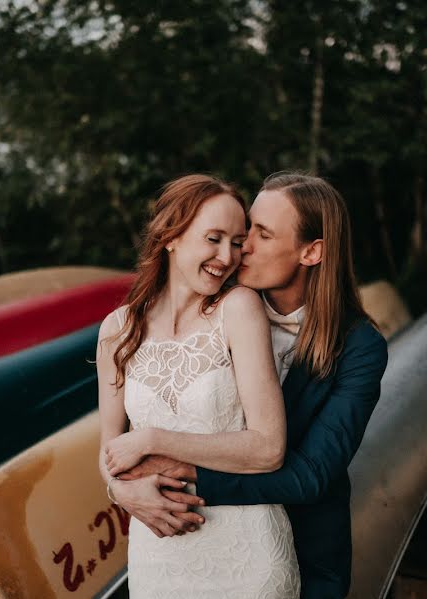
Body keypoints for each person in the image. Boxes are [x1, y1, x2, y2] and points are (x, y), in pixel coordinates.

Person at [111, 171, 389, 598]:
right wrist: (122, 488)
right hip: (187, 548)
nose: (241, 248)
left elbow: (310, 475)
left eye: (260, 234)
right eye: (243, 232)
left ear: (311, 252)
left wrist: (181, 471)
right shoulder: (221, 308)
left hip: (299, 550)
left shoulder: (359, 347)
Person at [96, 174, 301, 597]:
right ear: (171, 237)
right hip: (159, 558)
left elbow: (268, 448)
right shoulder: (117, 331)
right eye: (214, 238)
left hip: (248, 559)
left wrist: (154, 439)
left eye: (238, 241)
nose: (227, 257)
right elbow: (110, 450)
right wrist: (120, 492)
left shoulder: (238, 309)